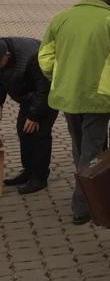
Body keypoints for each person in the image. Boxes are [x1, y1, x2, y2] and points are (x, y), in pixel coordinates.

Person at [38, 0, 110, 224]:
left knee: (81, 146)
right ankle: (83, 206)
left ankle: (89, 191)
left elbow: (45, 58)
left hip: (67, 95)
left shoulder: (61, 19)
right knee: (91, 151)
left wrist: (59, 79)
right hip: (100, 98)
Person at [0, 37, 59, 194]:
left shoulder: (33, 56)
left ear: (7, 55)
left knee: (39, 134)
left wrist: (34, 116)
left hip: (47, 97)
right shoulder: (3, 54)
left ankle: (39, 177)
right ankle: (28, 171)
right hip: (28, 96)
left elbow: (44, 88)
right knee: (23, 131)